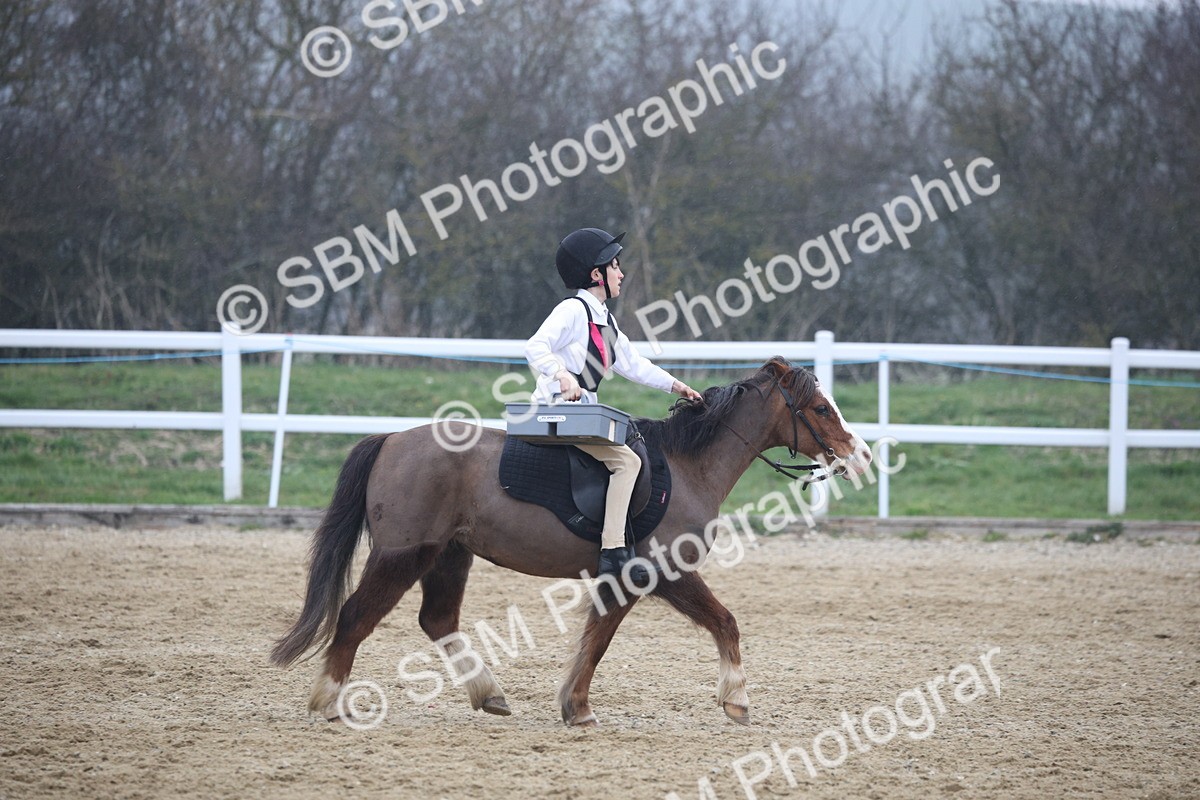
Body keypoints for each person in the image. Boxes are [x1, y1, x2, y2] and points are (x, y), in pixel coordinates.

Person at [524, 227, 702, 580]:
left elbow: (633, 364)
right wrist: (561, 375)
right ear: (596, 275)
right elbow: (535, 347)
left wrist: (676, 386)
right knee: (626, 462)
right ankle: (612, 551)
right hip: (554, 411)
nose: (621, 274)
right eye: (615, 266)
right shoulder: (572, 311)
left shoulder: (604, 319)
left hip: (580, 415)